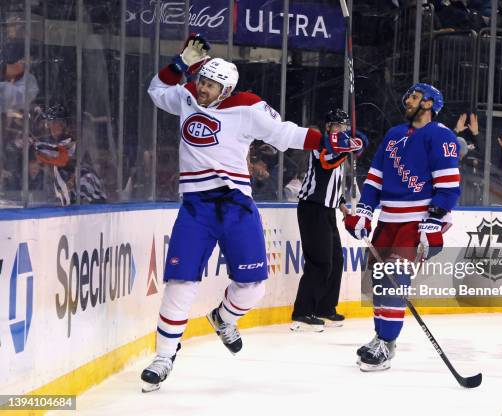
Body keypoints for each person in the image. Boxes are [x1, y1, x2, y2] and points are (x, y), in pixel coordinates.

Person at [141, 34, 358, 392]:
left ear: (225, 89)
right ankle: (163, 357)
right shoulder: (185, 97)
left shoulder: (248, 107)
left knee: (253, 286)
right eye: (201, 81)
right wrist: (179, 65)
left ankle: (223, 318)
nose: (202, 89)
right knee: (180, 283)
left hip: (236, 206)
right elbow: (155, 90)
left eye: (210, 85)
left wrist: (325, 141)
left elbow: (285, 132)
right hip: (195, 207)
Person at [344, 83, 460, 372]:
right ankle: (382, 338)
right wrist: (364, 212)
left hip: (416, 221)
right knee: (380, 282)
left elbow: (448, 184)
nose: (408, 99)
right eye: (408, 94)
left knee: (395, 280)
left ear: (430, 103)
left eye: (415, 96)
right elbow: (375, 178)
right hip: (388, 221)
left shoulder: (440, 135)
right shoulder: (394, 134)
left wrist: (434, 220)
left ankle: (386, 342)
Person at [290, 109, 367, 331]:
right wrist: (350, 145)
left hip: (328, 210)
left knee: (336, 260)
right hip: (312, 208)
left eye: (343, 126)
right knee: (320, 262)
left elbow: (333, 184)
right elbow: (327, 163)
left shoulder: (341, 146)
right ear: (327, 127)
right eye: (336, 125)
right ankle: (303, 312)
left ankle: (325, 307)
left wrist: (342, 206)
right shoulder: (322, 146)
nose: (339, 129)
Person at [33, 104, 107, 205]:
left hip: (90, 205)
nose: (53, 127)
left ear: (64, 124)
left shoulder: (69, 143)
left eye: (57, 122)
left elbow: (60, 157)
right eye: (50, 123)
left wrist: (33, 143)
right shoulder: (56, 145)